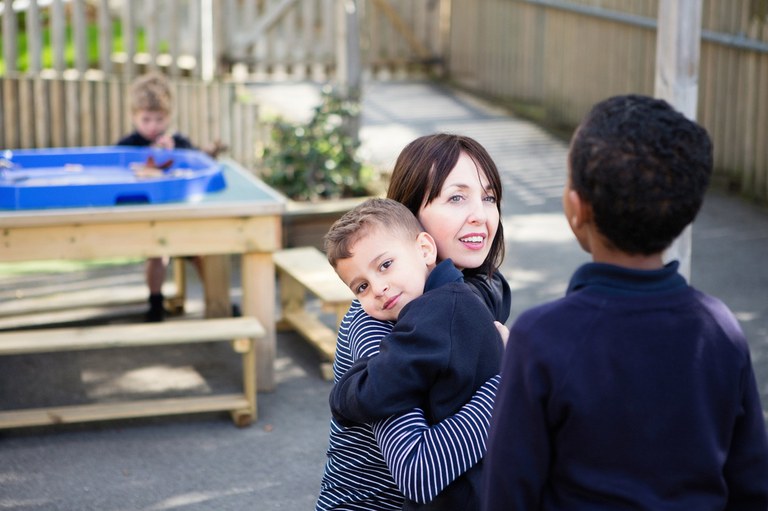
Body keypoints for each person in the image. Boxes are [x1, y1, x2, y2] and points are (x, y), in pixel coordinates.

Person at [482, 94, 768, 510]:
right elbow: (752, 487)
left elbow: (508, 495)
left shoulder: (541, 338)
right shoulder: (720, 329)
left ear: (577, 209)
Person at [316, 133, 511, 510]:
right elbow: (419, 473)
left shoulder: (474, 291)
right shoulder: (380, 319)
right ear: (410, 213)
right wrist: (513, 381)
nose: (480, 214)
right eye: (456, 197)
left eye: (487, 197)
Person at [116, 72, 213, 322]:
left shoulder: (178, 143)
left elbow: (196, 167)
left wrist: (175, 154)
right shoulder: (127, 146)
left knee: (202, 254)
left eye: (159, 119)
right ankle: (155, 303)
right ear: (134, 117)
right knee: (157, 255)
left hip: (182, 217)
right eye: (146, 119)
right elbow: (119, 173)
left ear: (169, 117)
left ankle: (216, 301)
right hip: (147, 219)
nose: (152, 126)